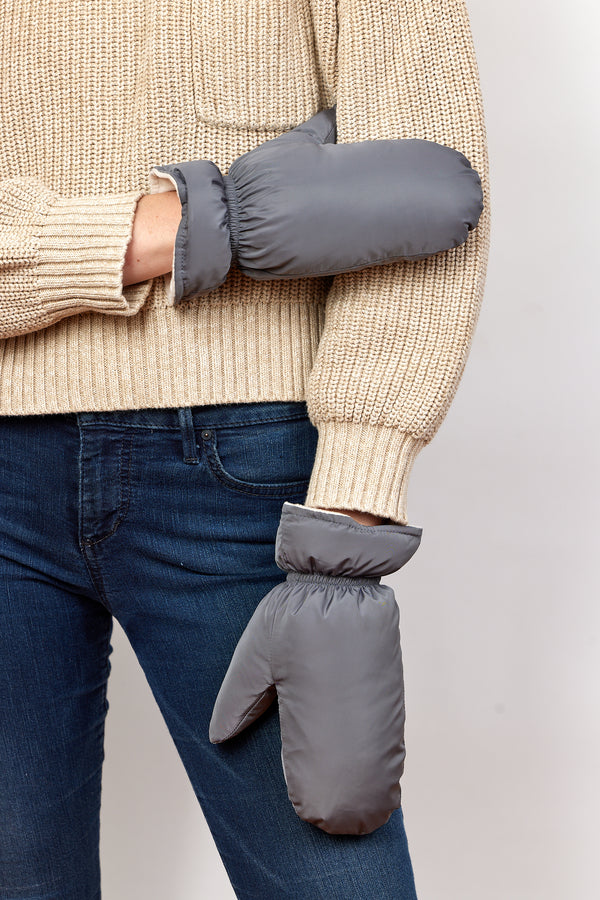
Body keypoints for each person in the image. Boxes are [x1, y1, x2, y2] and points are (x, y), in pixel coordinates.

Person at [0, 1, 491, 898]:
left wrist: (350, 508)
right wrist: (174, 227)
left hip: (242, 471)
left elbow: (429, 194)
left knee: (333, 875)